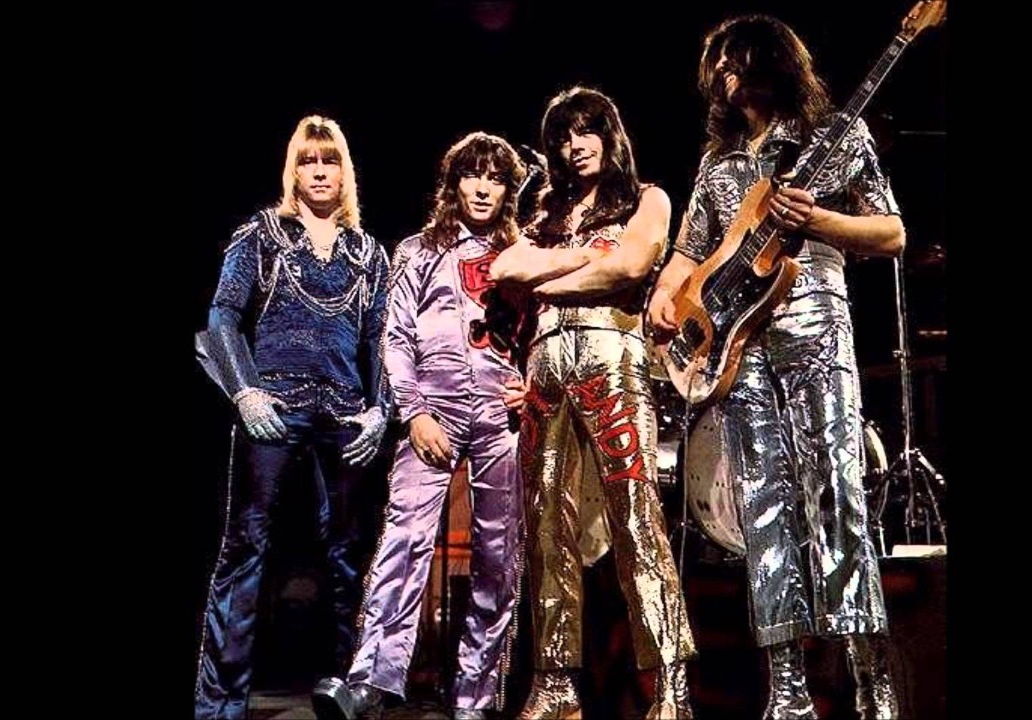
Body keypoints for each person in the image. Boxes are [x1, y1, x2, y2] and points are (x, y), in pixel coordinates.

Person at [648, 15, 905, 719]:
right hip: (739, 344)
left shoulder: (833, 138)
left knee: (837, 494)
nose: (727, 79)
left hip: (816, 321)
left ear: (773, 63)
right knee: (761, 507)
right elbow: (687, 253)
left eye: (738, 63)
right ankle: (787, 695)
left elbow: (891, 232)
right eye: (719, 69)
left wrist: (816, 221)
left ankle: (870, 681)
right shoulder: (718, 165)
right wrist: (666, 296)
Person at [490, 86, 696, 720]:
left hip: (613, 358)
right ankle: (555, 685)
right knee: (545, 525)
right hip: (545, 366)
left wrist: (551, 278)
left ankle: (671, 686)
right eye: (562, 137)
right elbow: (505, 268)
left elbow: (629, 267)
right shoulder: (542, 212)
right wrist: (585, 259)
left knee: (636, 518)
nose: (573, 146)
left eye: (585, 131)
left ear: (610, 135)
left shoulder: (648, 199)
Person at [311, 132, 532, 720]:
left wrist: (532, 384)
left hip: (502, 416)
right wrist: (414, 411)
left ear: (508, 191)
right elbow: (396, 337)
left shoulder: (526, 256)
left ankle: (474, 696)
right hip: (433, 409)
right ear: (453, 184)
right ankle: (371, 683)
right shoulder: (416, 251)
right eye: (472, 175)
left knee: (498, 553)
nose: (482, 188)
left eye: (495, 179)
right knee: (404, 540)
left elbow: (544, 331)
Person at [194, 115, 391, 720]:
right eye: (308, 161)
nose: (320, 171)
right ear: (293, 171)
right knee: (245, 547)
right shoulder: (261, 235)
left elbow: (382, 341)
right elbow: (222, 318)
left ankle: (343, 695)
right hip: (274, 407)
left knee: (349, 556)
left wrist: (380, 411)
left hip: (346, 417)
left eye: (330, 160)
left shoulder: (368, 253)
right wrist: (245, 393)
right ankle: (219, 707)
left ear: (345, 171)